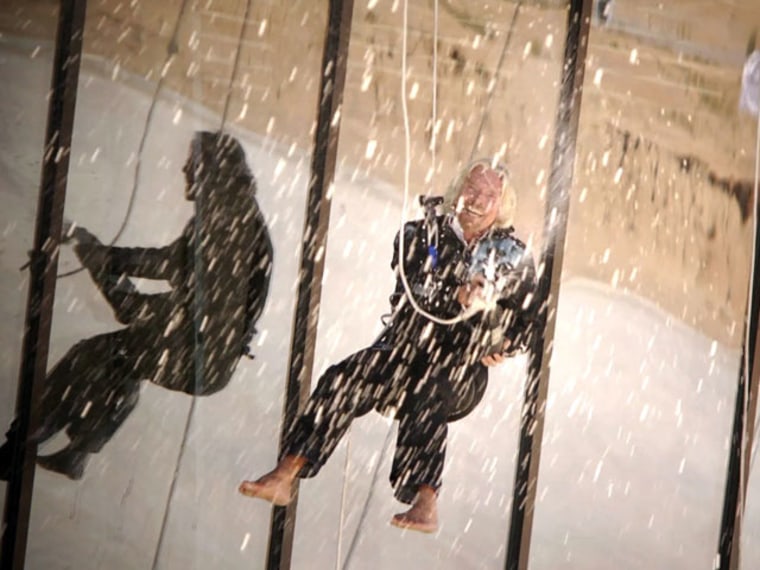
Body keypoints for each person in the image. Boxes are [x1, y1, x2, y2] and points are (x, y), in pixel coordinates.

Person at [239, 159, 538, 533]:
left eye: (489, 195)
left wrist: (505, 342)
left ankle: (425, 499)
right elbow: (412, 287)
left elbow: (529, 324)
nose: (477, 200)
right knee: (344, 377)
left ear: (501, 205)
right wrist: (454, 293)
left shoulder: (511, 255)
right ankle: (286, 473)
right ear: (458, 190)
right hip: (404, 349)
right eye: (472, 189)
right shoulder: (420, 234)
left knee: (430, 386)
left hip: (460, 367)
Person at [0, 131, 273, 481]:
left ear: (212, 171)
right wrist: (92, 249)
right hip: (205, 349)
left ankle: (21, 446)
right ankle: (75, 451)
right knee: (121, 359)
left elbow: (160, 267)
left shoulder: (228, 224)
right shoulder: (230, 218)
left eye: (192, 164)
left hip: (198, 350)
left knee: (96, 354)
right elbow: (161, 271)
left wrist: (91, 249)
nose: (184, 170)